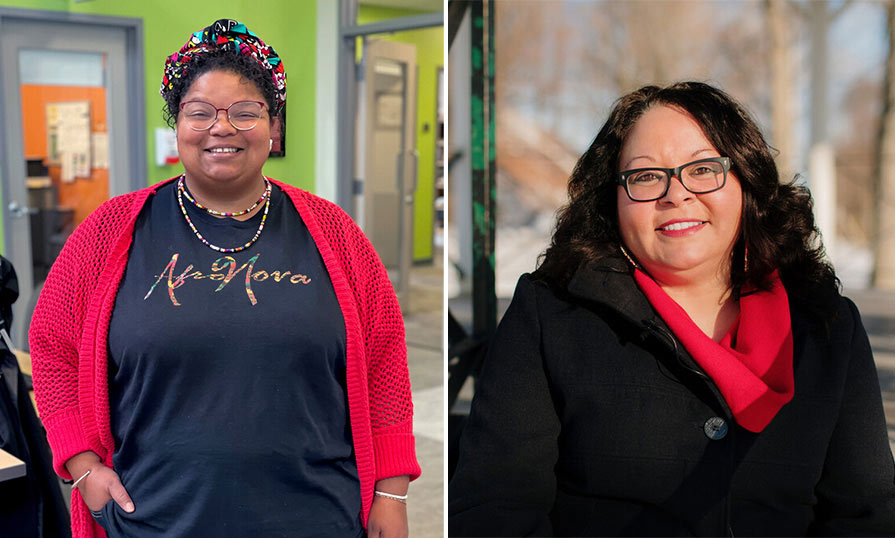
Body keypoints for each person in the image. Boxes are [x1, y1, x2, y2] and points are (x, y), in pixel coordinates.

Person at [449, 82, 895, 536]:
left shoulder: (827, 328)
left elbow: (866, 515)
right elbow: (496, 509)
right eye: (645, 176)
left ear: (746, 181)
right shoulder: (549, 318)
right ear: (613, 199)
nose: (675, 194)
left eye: (703, 168)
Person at [30, 19, 419, 538]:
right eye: (199, 112)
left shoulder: (335, 233)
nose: (222, 127)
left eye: (245, 111)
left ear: (274, 125)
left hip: (317, 517)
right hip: (153, 520)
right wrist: (82, 467)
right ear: (178, 126)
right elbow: (52, 347)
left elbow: (385, 361)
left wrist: (391, 493)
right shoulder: (109, 232)